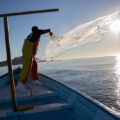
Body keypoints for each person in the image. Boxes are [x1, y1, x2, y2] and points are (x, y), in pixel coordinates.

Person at [16, 26, 53, 93]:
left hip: (29, 52)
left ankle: (35, 80)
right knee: (27, 67)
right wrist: (50, 31)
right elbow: (45, 30)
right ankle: (20, 83)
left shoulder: (32, 35)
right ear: (36, 29)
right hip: (29, 51)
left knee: (34, 65)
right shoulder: (36, 32)